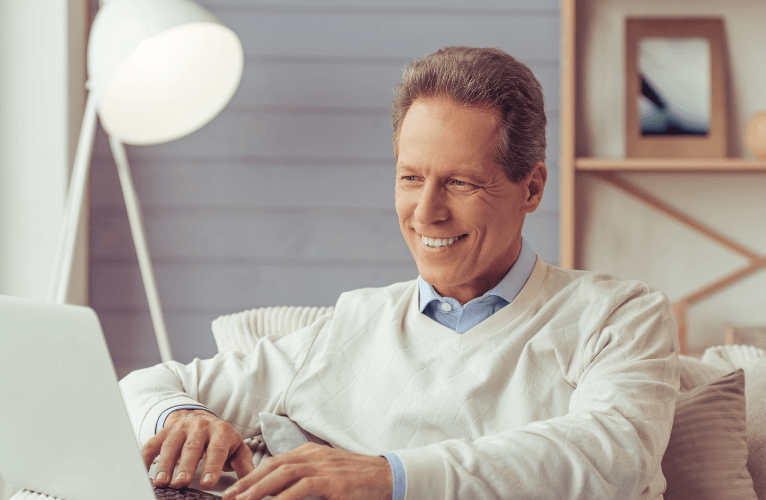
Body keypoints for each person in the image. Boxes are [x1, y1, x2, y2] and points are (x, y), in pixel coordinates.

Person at [119, 46, 680, 500]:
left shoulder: (619, 315)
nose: (427, 212)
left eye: (460, 183)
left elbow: (614, 456)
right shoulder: (353, 322)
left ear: (531, 187)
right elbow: (140, 386)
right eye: (411, 178)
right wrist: (184, 416)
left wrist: (388, 477)